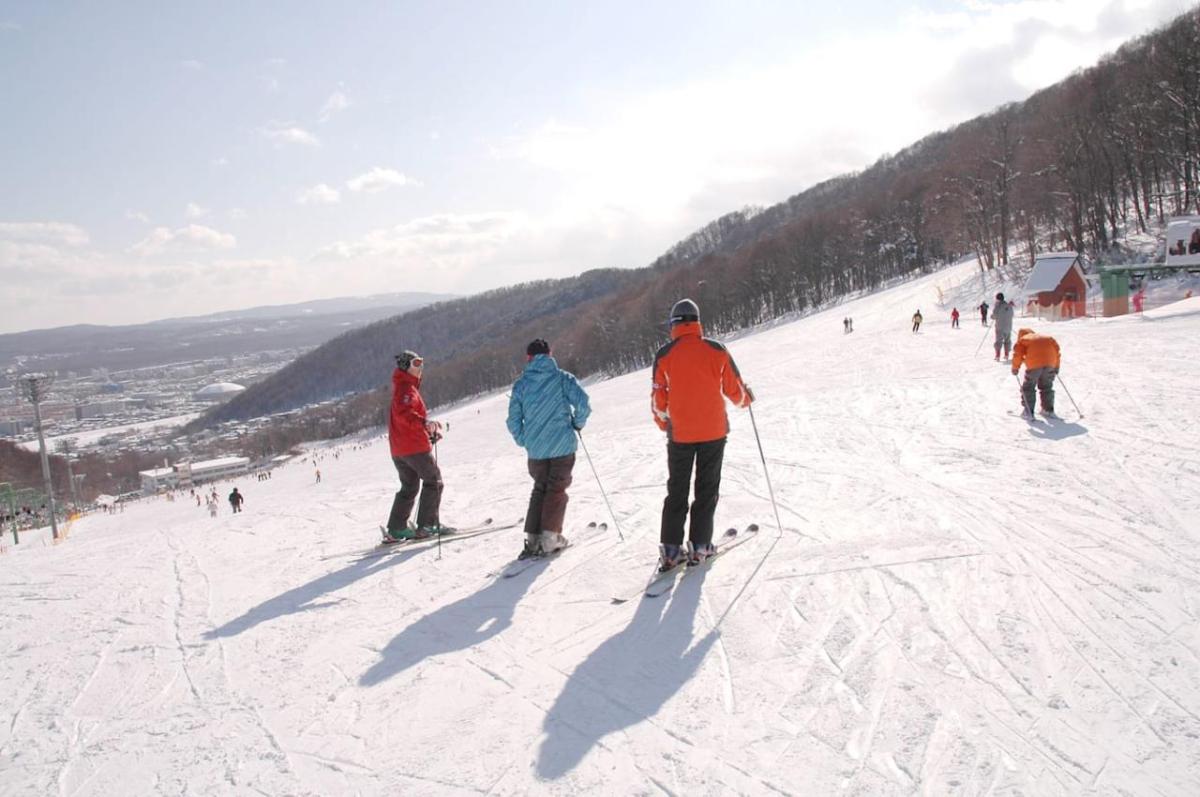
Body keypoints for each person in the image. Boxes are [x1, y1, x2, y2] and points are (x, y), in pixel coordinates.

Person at [652, 299, 754, 570]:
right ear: (697, 321)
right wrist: (746, 400)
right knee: (706, 489)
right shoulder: (716, 350)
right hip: (713, 431)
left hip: (681, 435)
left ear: (673, 324)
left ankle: (671, 550)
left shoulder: (664, 355)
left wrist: (666, 425)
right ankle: (699, 546)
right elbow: (734, 388)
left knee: (677, 490)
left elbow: (658, 399)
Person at [506, 338, 592, 559]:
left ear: (529, 358)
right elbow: (583, 404)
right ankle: (550, 537)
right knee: (556, 489)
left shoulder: (521, 385)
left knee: (540, 488)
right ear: (550, 354)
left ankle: (533, 538)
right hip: (562, 445)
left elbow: (513, 421)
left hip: (536, 450)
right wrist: (577, 423)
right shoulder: (562, 378)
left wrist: (525, 440)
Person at [383, 350, 449, 541]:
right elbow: (406, 414)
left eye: (422, 362)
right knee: (434, 480)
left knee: (410, 486)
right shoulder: (405, 390)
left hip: (399, 449)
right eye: (416, 363)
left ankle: (397, 528)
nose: (421, 367)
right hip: (413, 448)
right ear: (405, 366)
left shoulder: (402, 388)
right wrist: (424, 423)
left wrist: (427, 430)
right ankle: (427, 525)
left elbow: (404, 419)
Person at [1011, 328, 1061, 418]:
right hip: (1050, 362)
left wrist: (1015, 368)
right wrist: (1056, 367)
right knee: (1046, 386)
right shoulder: (1047, 338)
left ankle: (1028, 412)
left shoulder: (1023, 340)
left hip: (1034, 364)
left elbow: (1017, 355)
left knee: (1028, 387)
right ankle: (1048, 410)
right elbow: (1057, 352)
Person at [992, 292, 1015, 361]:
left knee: (998, 341)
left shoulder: (998, 306)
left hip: (1000, 327)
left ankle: (997, 355)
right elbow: (1012, 315)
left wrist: (992, 317)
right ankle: (1006, 355)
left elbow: (994, 315)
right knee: (1007, 341)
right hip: (1008, 327)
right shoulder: (1009, 306)